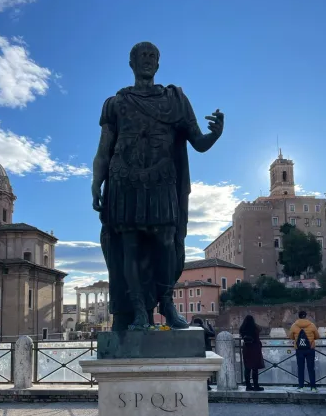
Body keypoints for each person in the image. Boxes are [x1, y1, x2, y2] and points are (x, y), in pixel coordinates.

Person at [92, 42, 224, 330]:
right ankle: (138, 310)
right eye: (142, 56)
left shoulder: (175, 100)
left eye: (153, 56)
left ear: (159, 63)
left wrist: (215, 135)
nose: (148, 60)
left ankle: (165, 302)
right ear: (132, 63)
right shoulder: (115, 104)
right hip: (123, 181)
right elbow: (104, 149)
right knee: (130, 249)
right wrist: (96, 182)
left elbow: (198, 142)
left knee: (167, 245)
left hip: (162, 181)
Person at [289, 311, 320, 392]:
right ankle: (313, 387)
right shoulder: (311, 325)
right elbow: (317, 336)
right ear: (306, 316)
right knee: (311, 368)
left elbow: (291, 337)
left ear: (298, 316)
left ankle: (301, 387)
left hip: (299, 350)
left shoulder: (294, 326)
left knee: (300, 368)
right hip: (310, 349)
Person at [239, 315, 265, 392]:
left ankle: (248, 386)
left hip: (246, 349)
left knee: (247, 368)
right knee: (255, 368)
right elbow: (260, 329)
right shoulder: (255, 328)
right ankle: (256, 385)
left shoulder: (242, 329)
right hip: (255, 348)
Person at [192, 318, 216, 391]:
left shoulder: (192, 329)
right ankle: (207, 385)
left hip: (195, 351)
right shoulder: (203, 329)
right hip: (206, 351)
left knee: (197, 369)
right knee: (205, 368)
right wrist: (210, 326)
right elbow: (213, 334)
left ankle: (198, 384)